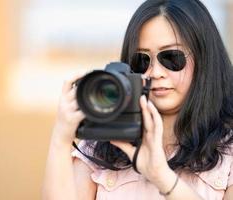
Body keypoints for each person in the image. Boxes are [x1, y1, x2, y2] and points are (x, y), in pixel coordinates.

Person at [42, 0, 233, 199]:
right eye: (142, 60)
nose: (156, 72)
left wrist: (161, 176)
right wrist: (61, 139)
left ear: (204, 57)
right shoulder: (100, 145)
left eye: (171, 57)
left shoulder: (228, 150)